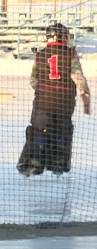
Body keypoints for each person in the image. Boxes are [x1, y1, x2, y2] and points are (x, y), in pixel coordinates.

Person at [17, 23, 90, 177]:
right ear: (62, 36)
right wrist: (85, 94)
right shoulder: (71, 54)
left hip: (42, 102)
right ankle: (58, 162)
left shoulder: (40, 54)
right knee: (62, 131)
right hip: (65, 102)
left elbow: (33, 80)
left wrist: (44, 91)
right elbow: (78, 77)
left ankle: (32, 162)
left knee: (38, 129)